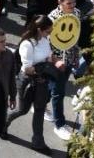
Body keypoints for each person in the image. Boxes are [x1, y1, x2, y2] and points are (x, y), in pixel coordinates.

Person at [9, 15, 71, 148]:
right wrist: (45, 68)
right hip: (27, 82)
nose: (50, 34)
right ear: (39, 30)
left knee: (39, 110)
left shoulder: (44, 40)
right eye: (48, 31)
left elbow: (48, 56)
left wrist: (56, 61)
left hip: (41, 81)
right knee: (22, 110)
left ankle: (38, 142)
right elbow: (27, 69)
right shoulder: (27, 44)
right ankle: (3, 124)